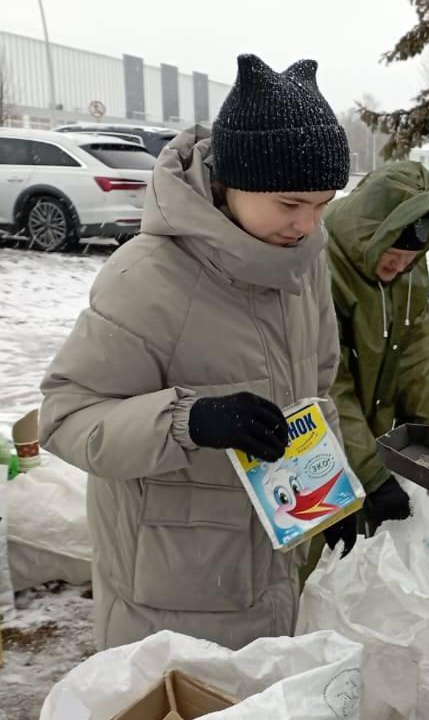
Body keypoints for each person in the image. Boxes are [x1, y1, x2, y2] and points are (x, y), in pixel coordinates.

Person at [38, 54, 350, 650]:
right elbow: (67, 419)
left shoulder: (303, 261)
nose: (309, 224)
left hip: (273, 550)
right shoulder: (147, 277)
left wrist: (325, 478)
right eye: (291, 204)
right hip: (169, 586)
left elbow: (320, 379)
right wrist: (190, 421)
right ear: (232, 182)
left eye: (323, 204)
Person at [325, 161, 429, 535]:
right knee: (320, 567)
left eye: (410, 260)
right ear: (373, 236)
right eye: (392, 256)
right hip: (322, 453)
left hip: (367, 440)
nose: (400, 267)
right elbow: (329, 383)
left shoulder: (408, 274)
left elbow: (419, 360)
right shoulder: (325, 265)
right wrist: (372, 475)